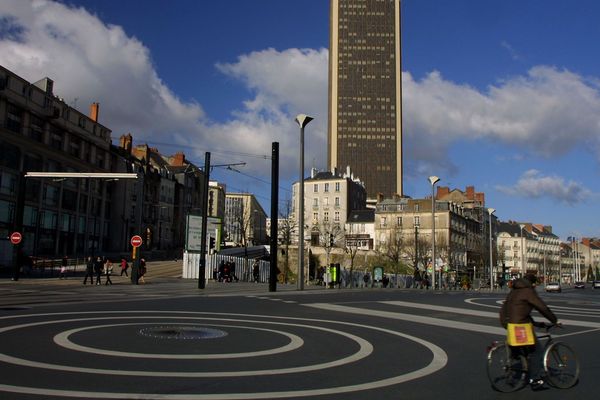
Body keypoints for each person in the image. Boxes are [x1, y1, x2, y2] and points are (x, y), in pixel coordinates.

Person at [499, 274, 559, 389]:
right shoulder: (528, 292)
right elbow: (542, 307)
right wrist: (554, 320)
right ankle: (535, 379)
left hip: (510, 325)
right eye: (534, 283)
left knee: (521, 351)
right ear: (531, 283)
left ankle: (519, 367)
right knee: (537, 352)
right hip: (521, 327)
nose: (535, 286)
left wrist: (537, 324)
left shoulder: (514, 291)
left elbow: (520, 311)